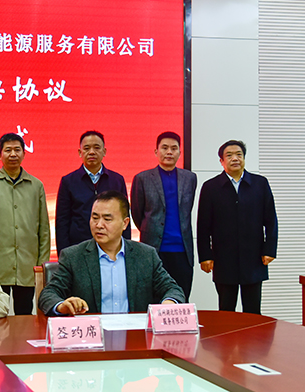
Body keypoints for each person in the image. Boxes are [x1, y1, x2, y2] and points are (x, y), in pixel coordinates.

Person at [39, 190, 185, 316]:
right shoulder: (73, 256)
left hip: (134, 335)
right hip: (93, 335)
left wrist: (168, 303)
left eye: (107, 219)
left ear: (125, 223)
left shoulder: (145, 255)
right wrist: (62, 306)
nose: (99, 225)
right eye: (95, 218)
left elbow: (173, 289)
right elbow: (48, 294)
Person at [0, 133, 50, 315]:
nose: (13, 154)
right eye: (8, 150)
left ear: (24, 153)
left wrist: (41, 264)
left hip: (27, 265)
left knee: (25, 314)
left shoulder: (36, 185)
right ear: (0, 154)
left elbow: (44, 230)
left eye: (17, 150)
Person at [197, 140, 278, 315]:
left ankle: (254, 335)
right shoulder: (210, 187)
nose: (235, 158)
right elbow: (203, 226)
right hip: (223, 259)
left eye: (239, 154)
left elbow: (271, 220)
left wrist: (269, 249)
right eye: (229, 155)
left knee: (253, 312)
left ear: (244, 158)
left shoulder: (260, 184)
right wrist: (205, 256)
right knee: (226, 311)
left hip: (254, 258)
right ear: (221, 161)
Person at [130, 131, 197, 300]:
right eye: (164, 148)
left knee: (181, 300)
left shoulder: (190, 178)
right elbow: (137, 214)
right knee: (153, 299)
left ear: (180, 152)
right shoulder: (142, 178)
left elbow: (187, 210)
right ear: (156, 151)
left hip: (182, 251)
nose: (169, 152)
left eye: (174, 148)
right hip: (153, 250)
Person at [56, 130, 129, 254]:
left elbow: (124, 217)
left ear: (104, 151)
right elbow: (62, 221)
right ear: (80, 152)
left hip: (111, 247)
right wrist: (64, 254)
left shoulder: (117, 180)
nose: (91, 152)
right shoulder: (68, 181)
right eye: (86, 148)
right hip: (78, 248)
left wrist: (127, 249)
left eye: (96, 147)